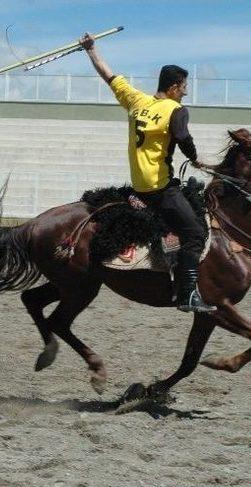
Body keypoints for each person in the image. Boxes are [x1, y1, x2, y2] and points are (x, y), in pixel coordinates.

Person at [80, 32, 216, 313]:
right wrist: (195, 158)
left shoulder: (136, 101)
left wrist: (91, 50)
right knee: (194, 232)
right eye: (185, 86)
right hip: (161, 188)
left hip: (138, 187)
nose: (186, 92)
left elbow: (109, 75)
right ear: (176, 86)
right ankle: (188, 295)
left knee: (174, 224)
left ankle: (167, 258)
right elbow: (182, 137)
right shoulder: (176, 109)